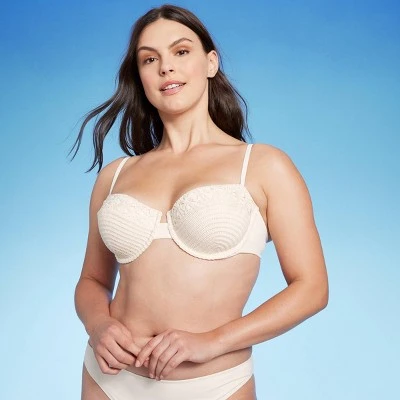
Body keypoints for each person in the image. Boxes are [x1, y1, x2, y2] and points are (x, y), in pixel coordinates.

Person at [71, 4, 329, 400]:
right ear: (140, 76)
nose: (166, 68)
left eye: (181, 51)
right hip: (107, 381)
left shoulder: (263, 166)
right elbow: (93, 281)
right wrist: (98, 326)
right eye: (150, 59)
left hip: (215, 384)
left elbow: (311, 288)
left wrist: (212, 341)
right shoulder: (115, 175)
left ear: (211, 62)